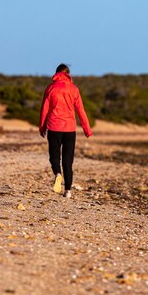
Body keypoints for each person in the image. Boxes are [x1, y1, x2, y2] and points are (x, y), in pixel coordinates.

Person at [39, 63, 93, 198]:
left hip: (54, 127)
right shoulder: (74, 89)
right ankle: (68, 190)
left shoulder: (51, 88)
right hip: (69, 128)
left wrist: (42, 126)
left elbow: (44, 109)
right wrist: (87, 129)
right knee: (68, 161)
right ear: (68, 74)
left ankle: (57, 174)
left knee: (54, 156)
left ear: (57, 73)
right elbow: (81, 110)